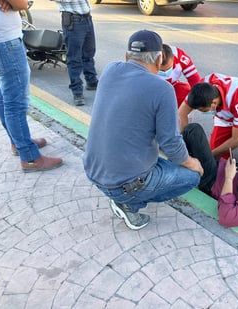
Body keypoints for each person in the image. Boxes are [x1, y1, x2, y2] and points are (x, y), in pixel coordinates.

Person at [83, 30, 203, 231]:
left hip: (94, 171)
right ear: (160, 60)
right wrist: (194, 164)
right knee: (191, 176)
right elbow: (171, 145)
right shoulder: (162, 89)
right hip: (123, 185)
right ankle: (130, 203)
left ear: (127, 56)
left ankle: (125, 194)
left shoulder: (111, 69)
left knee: (158, 159)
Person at [0, 0, 63, 172]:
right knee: (15, 103)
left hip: (1, 42)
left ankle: (19, 142)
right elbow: (22, 4)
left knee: (2, 98)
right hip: (5, 44)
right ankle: (30, 157)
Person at [178, 73, 238, 160]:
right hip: (224, 116)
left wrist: (209, 155)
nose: (203, 112)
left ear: (214, 103)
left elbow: (236, 140)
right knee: (219, 153)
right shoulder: (202, 88)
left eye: (204, 111)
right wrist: (185, 142)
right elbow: (182, 113)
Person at [52, 0, 98, 106]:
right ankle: (77, 91)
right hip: (73, 19)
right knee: (74, 58)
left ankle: (91, 81)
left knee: (89, 53)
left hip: (87, 17)